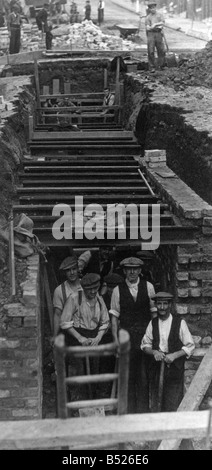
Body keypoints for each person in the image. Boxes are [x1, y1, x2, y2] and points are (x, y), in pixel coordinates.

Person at [110, 257, 157, 413]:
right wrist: (116, 343)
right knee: (128, 378)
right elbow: (114, 319)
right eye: (129, 269)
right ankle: (128, 414)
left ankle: (143, 413)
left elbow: (154, 315)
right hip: (126, 340)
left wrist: (154, 338)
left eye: (135, 268)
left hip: (145, 339)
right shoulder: (117, 290)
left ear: (140, 270)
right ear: (124, 271)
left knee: (143, 378)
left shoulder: (148, 287)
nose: (132, 272)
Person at [141, 291, 195, 412]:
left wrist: (174, 355)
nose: (162, 307)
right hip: (156, 368)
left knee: (172, 402)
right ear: (156, 305)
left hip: (174, 369)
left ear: (170, 305)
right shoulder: (153, 323)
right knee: (156, 402)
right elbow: (145, 345)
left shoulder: (179, 323)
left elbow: (190, 346)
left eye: (165, 304)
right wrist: (154, 352)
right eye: (159, 304)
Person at [60, 273, 110, 347]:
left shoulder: (99, 298)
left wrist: (97, 338)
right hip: (77, 340)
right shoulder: (74, 298)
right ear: (84, 288)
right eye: (89, 289)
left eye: (95, 288)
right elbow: (64, 323)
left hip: (94, 339)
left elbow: (105, 322)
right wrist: (80, 338)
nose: (93, 291)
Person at [53, 255, 82, 338]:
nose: (72, 273)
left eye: (74, 269)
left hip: (86, 330)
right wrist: (55, 336)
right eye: (68, 270)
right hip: (68, 333)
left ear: (78, 269)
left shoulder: (86, 286)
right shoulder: (59, 290)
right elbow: (57, 314)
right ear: (65, 272)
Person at [145, 1, 166, 71]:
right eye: (151, 8)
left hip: (158, 33)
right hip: (151, 34)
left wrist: (155, 24)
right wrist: (149, 27)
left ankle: (161, 65)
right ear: (149, 9)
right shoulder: (148, 17)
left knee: (161, 50)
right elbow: (147, 26)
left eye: (153, 8)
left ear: (155, 8)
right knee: (150, 51)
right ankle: (152, 67)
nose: (152, 9)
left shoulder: (160, 15)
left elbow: (163, 22)